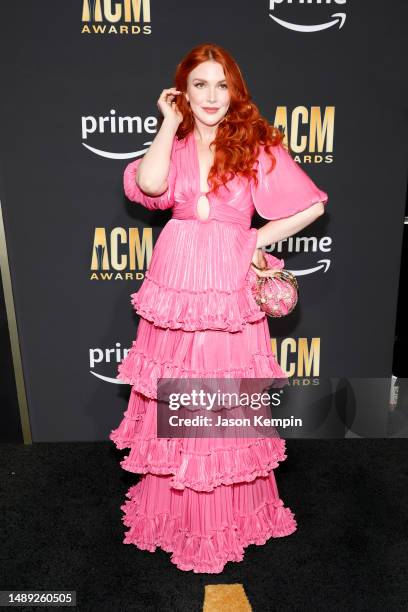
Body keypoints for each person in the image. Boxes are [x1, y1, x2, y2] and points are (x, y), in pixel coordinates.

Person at [110, 42, 328, 574]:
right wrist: (167, 123)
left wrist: (256, 240)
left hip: (229, 278)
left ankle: (225, 519)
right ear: (182, 92)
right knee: (176, 390)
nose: (211, 95)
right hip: (177, 279)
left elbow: (313, 204)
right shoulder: (176, 141)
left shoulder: (254, 142)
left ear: (235, 91)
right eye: (199, 85)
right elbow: (151, 185)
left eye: (221, 84)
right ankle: (179, 515)